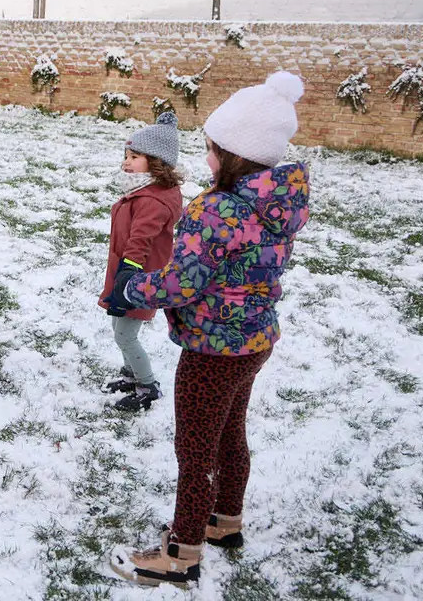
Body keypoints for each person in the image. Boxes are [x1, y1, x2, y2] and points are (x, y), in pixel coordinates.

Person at [105, 72, 310, 587]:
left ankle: (181, 553)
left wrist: (132, 289)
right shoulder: (277, 204)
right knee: (230, 435)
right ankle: (224, 520)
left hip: (213, 348)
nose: (206, 156)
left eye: (211, 148)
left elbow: (182, 283)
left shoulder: (216, 209)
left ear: (232, 153)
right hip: (255, 340)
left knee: (195, 450)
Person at [99, 111, 184, 412]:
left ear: (156, 162)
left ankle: (147, 386)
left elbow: (141, 241)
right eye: (126, 155)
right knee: (119, 327)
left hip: (138, 277)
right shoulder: (143, 190)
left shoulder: (152, 200)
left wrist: (127, 277)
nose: (126, 162)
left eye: (134, 157)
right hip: (126, 268)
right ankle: (131, 375)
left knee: (125, 334)